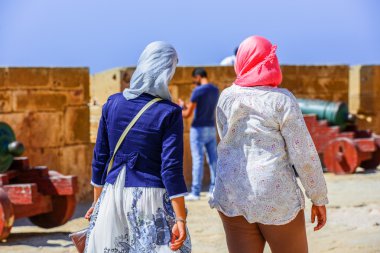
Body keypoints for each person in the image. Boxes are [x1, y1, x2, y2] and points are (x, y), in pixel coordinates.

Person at [209, 36, 328, 253]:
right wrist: (318, 197)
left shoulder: (226, 97)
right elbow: (303, 153)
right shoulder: (282, 100)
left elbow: (225, 137)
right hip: (275, 192)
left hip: (232, 191)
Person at [84, 41, 191, 253]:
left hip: (112, 195)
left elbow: (100, 159)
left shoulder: (112, 103)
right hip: (151, 200)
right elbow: (170, 168)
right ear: (167, 72)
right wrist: (180, 218)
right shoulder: (169, 112)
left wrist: (97, 203)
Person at [179, 68, 219, 201]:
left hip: (198, 129)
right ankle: (214, 189)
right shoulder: (215, 90)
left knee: (198, 160)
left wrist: (180, 108)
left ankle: (195, 192)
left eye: (194, 79)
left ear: (198, 76)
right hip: (211, 127)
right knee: (213, 159)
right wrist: (186, 106)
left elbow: (187, 114)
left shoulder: (197, 91)